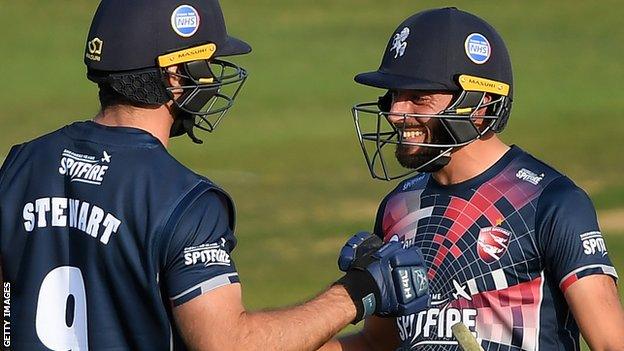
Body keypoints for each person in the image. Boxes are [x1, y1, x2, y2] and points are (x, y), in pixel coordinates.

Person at [0, 1, 431, 350]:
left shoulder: (21, 165)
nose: (211, 77)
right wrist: (357, 291)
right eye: (205, 63)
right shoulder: (185, 200)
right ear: (173, 75)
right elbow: (228, 344)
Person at [321, 7, 624, 351]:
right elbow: (378, 342)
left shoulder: (551, 201)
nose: (395, 112)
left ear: (480, 105)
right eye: (393, 95)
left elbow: (611, 343)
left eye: (419, 98)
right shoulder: (397, 206)